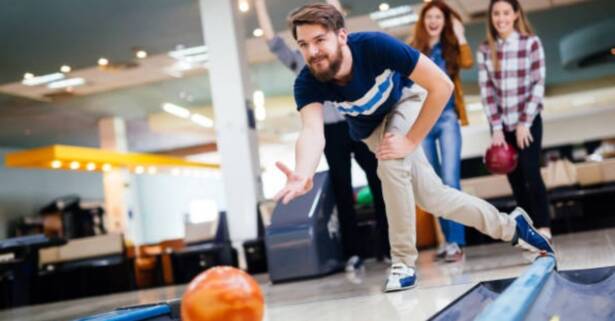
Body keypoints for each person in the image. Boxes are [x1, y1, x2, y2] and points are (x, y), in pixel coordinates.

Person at [274, 3, 554, 292]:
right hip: (369, 130)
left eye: (320, 40)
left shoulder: (375, 46)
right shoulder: (308, 80)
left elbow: (442, 85)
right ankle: (513, 227)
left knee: (390, 162)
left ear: (341, 36)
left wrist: (410, 140)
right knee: (435, 198)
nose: (313, 52)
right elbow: (311, 131)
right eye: (304, 45)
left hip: (405, 102)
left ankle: (403, 262)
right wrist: (303, 171)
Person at [255, 0, 390, 270]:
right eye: (306, 43)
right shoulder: (303, 64)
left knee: (380, 183)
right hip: (329, 132)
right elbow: (272, 41)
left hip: (359, 123)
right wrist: (258, 5)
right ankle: (354, 254)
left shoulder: (340, 47)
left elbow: (334, 14)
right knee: (342, 191)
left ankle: (388, 249)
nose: (314, 49)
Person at [477, 0, 552, 246]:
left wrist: (524, 122)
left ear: (516, 14)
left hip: (528, 121)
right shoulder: (486, 49)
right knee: (515, 179)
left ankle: (544, 226)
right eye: (496, 14)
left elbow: (538, 84)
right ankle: (528, 230)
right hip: (501, 125)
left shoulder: (530, 43)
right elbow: (487, 91)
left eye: (506, 13)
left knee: (531, 171)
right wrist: (496, 128)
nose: (501, 18)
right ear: (491, 17)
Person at [410, 0, 473, 262]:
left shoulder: (451, 49)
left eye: (439, 17)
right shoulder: (415, 48)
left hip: (447, 118)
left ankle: (456, 242)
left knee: (450, 179)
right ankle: (446, 241)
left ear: (445, 22)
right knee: (432, 184)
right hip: (423, 121)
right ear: (424, 21)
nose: (434, 21)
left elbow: (468, 62)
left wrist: (460, 35)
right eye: (430, 17)